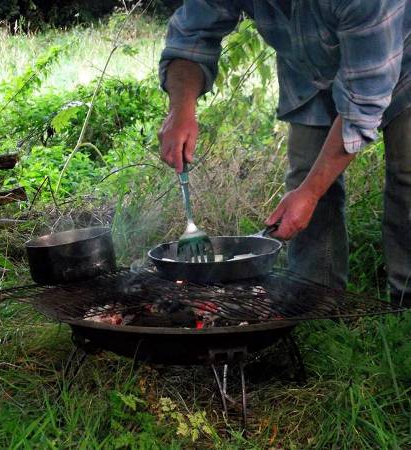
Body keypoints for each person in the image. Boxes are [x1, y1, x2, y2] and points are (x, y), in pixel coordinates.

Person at [157, 0, 411, 306]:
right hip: (310, 74)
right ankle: (316, 301)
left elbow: (362, 104)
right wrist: (181, 108)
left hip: (403, 62)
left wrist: (311, 192)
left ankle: (406, 304)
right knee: (305, 175)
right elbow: (190, 35)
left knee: (406, 177)